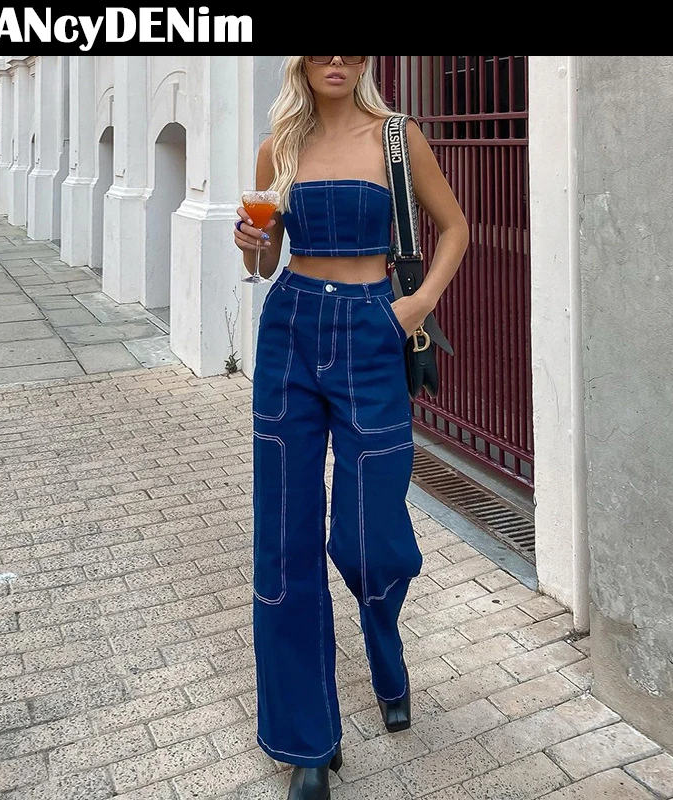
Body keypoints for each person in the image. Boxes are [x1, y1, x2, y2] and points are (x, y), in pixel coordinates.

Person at [233, 56, 469, 800]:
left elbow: (455, 227)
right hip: (291, 330)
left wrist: (415, 306)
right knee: (284, 538)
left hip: (373, 330)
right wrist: (253, 245)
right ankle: (307, 741)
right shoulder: (279, 146)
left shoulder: (397, 137)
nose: (336, 58)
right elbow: (267, 261)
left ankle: (384, 647)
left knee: (370, 534)